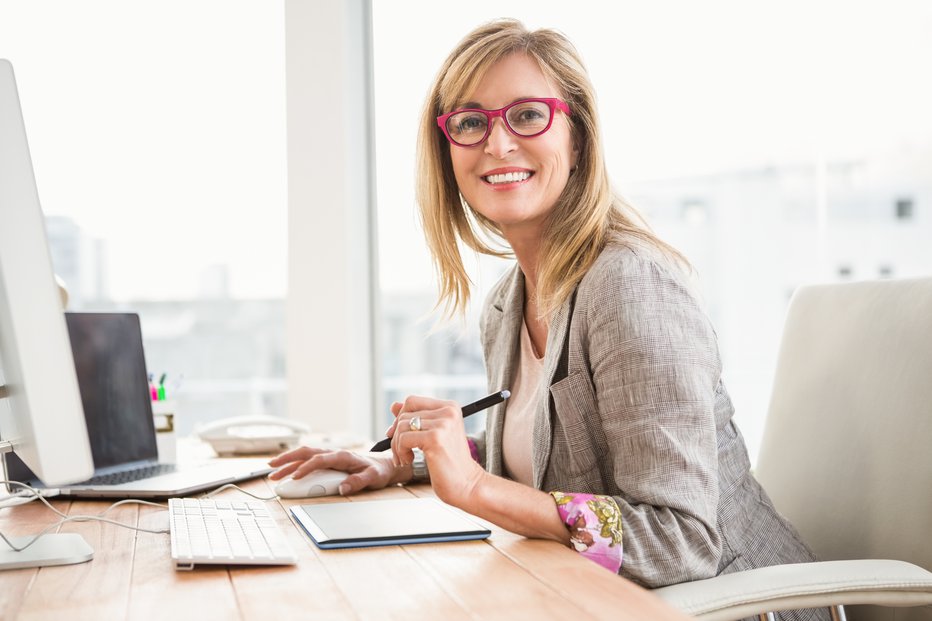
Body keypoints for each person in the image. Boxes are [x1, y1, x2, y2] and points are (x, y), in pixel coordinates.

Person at [271, 19, 825, 618]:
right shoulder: (509, 303)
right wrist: (405, 461)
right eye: (469, 122)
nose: (498, 143)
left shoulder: (631, 287)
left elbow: (680, 540)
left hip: (738, 608)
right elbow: (552, 453)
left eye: (528, 115)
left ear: (578, 137)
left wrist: (478, 490)